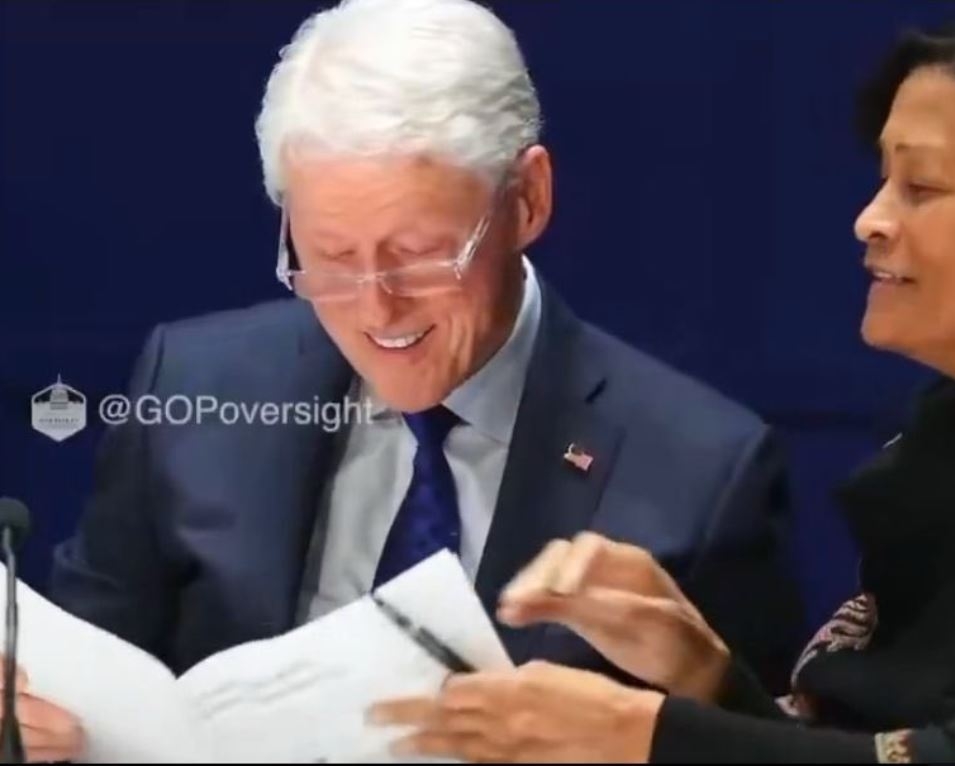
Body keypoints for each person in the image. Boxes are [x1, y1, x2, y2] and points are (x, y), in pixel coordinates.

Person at [6, 0, 802, 761]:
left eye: (420, 254)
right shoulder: (193, 385)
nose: (376, 308)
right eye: (331, 258)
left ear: (527, 200)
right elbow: (86, 671)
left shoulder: (702, 471)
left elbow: (762, 751)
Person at [369, 14, 955, 764]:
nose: (870, 219)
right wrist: (702, 675)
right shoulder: (943, 438)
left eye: (921, 186)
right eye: (883, 179)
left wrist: (639, 735)